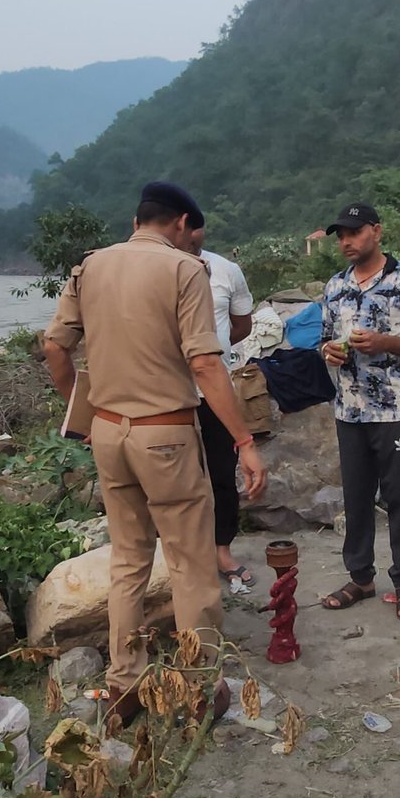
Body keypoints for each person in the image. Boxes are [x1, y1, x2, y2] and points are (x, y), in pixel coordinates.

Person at [41, 182, 268, 720]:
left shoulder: (88, 267)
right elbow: (206, 363)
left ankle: (123, 686)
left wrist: (81, 411)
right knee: (191, 564)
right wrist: (244, 440)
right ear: (182, 223)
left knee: (128, 561)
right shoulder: (185, 270)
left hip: (107, 433)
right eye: (194, 233)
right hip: (165, 435)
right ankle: (198, 687)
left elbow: (54, 347)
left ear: (137, 220)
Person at [316, 202, 400, 622]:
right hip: (349, 411)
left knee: (399, 498)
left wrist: (386, 342)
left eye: (354, 232)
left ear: (376, 231)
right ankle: (361, 578)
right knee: (355, 498)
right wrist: (329, 352)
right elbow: (323, 341)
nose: (346, 242)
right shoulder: (335, 286)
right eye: (340, 236)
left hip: (393, 410)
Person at [182, 222, 258, 591]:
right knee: (177, 478)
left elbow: (241, 325)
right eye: (184, 227)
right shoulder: (155, 270)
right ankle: (183, 555)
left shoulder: (226, 271)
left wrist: (217, 347)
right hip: (170, 395)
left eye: (196, 227)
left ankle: (222, 550)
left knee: (222, 473)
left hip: (216, 392)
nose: (190, 235)